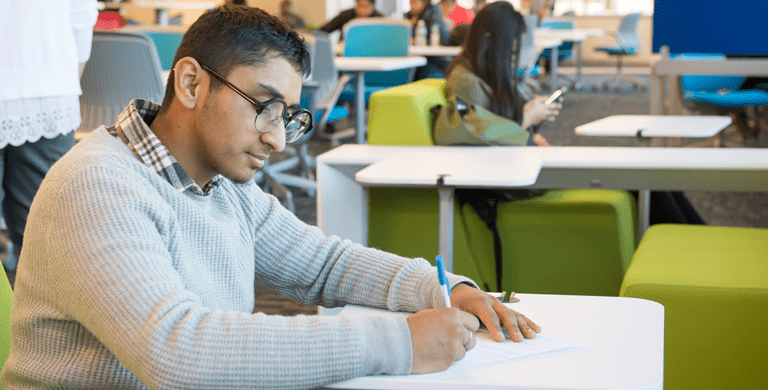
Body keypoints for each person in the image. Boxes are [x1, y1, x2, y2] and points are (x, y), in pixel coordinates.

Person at [1, 5, 541, 389]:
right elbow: (175, 351)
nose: (278, 139)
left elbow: (325, 265)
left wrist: (443, 290)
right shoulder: (97, 184)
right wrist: (398, 342)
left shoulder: (224, 185)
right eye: (263, 106)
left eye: (288, 116)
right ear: (191, 84)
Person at [0, 0, 98, 273]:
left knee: (42, 240)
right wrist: (63, 81)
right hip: (49, 93)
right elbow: (82, 16)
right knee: (42, 244)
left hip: (50, 94)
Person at [445, 1, 560, 146]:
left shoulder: (488, 73)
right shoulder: (465, 82)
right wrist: (527, 118)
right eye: (510, 48)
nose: (513, 56)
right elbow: (479, 139)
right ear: (489, 42)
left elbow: (502, 120)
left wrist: (535, 112)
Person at [405, 0, 452, 79]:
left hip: (434, 59)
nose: (411, 5)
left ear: (423, 2)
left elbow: (436, 36)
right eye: (410, 2)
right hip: (419, 56)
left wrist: (415, 40)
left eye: (414, 2)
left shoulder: (433, 11)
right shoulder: (409, 15)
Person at [318, 0, 383, 36]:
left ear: (373, 6)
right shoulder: (346, 15)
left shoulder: (380, 19)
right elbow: (324, 30)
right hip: (344, 53)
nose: (362, 10)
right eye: (360, 5)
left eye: (366, 6)